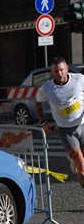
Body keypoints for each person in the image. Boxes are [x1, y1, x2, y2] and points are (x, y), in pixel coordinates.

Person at [35, 56, 84, 188]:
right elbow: (37, 104)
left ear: (67, 68)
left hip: (82, 125)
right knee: (81, 163)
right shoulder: (46, 89)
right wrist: (43, 122)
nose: (60, 73)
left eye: (62, 70)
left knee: (81, 159)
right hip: (66, 131)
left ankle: (73, 163)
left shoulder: (79, 79)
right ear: (52, 72)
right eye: (56, 71)